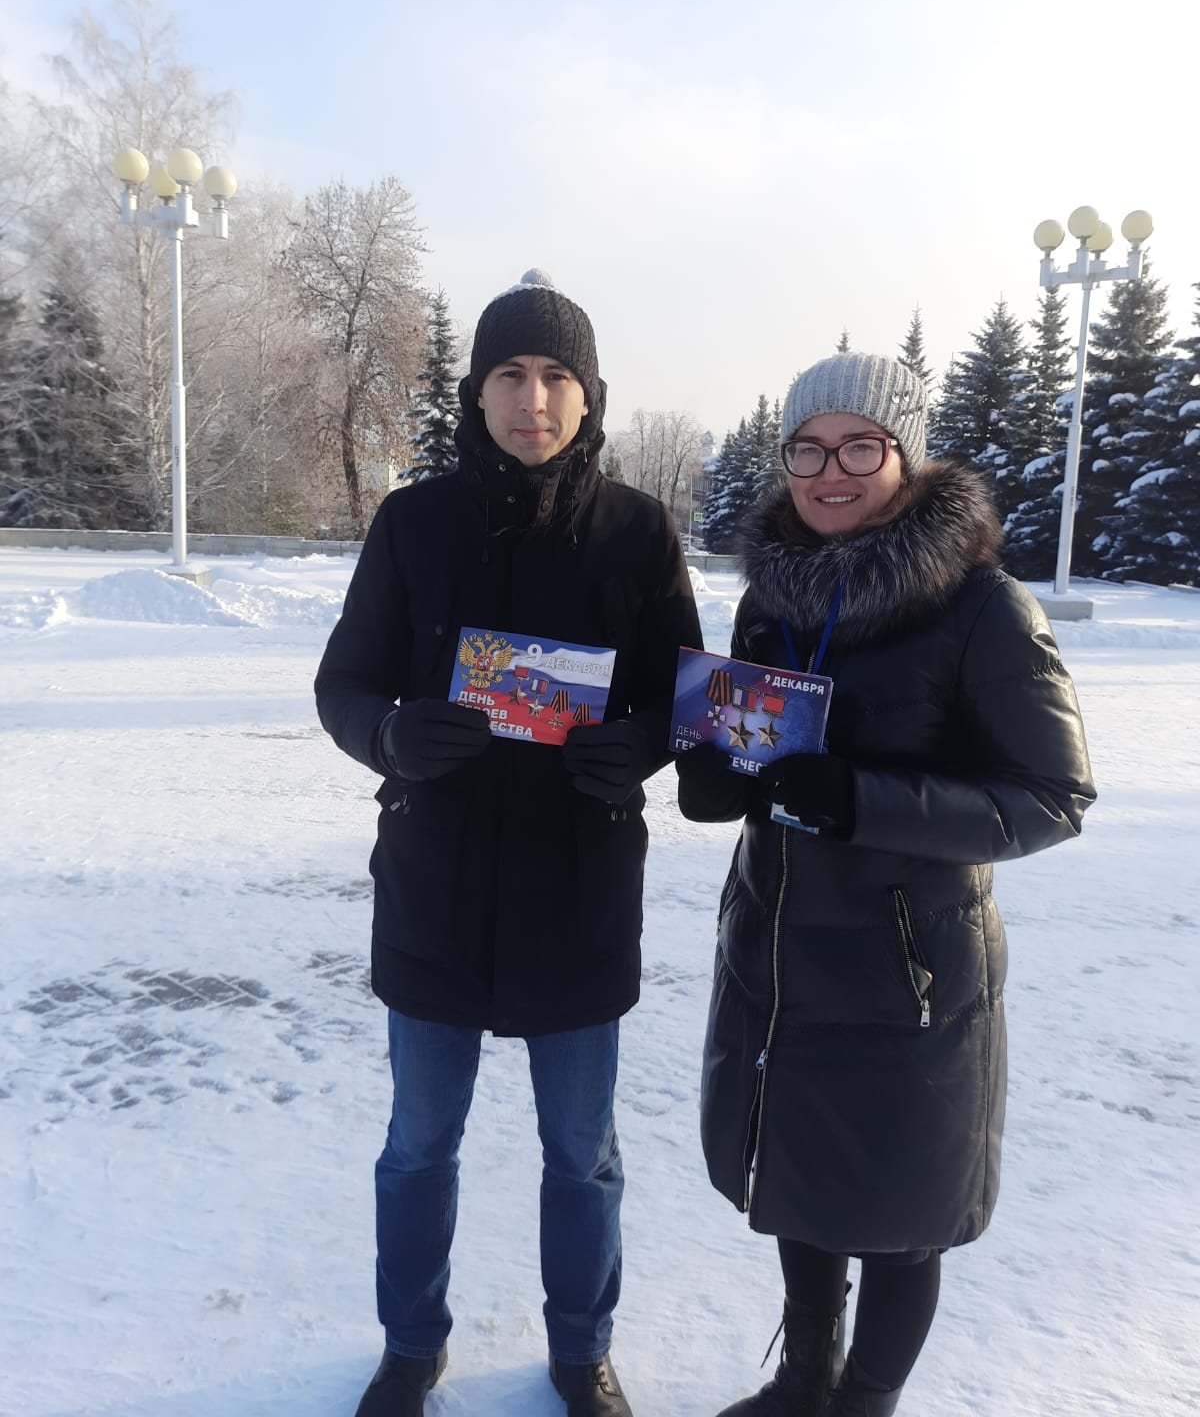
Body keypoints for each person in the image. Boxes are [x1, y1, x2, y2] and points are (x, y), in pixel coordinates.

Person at [677, 352, 1095, 1417]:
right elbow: (757, 733)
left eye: (860, 445)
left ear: (905, 456)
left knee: (903, 1209)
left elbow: (1051, 795)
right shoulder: (771, 598)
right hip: (779, 943)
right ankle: (804, 1379)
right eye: (809, 447)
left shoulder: (983, 608)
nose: (831, 471)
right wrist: (723, 772)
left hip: (909, 967)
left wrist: (862, 800)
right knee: (798, 1179)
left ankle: (863, 1402)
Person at [315, 268, 702, 1417]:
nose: (533, 398)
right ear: (478, 393)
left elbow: (681, 698)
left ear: (588, 396)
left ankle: (582, 1351)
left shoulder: (638, 531)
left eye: (555, 376)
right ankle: (410, 1342)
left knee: (580, 1152)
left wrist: (638, 745)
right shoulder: (412, 521)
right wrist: (391, 732)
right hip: (434, 886)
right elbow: (343, 682)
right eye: (509, 375)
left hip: (578, 892)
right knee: (417, 1146)